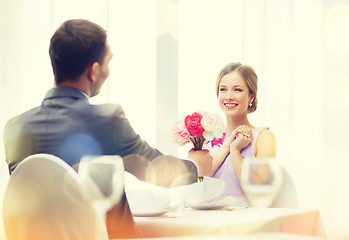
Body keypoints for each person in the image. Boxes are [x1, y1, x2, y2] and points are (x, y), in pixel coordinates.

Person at [3, 19, 210, 238]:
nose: (108, 71)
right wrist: (197, 168)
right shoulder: (107, 120)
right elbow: (155, 169)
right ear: (93, 71)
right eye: (107, 62)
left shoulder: (15, 127)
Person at [202, 62, 276, 207]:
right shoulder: (206, 138)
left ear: (251, 96)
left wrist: (235, 151)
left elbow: (260, 191)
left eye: (237, 90)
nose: (228, 96)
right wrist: (226, 148)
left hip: (245, 223)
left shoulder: (264, 137)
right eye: (223, 89)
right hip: (204, 220)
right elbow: (196, 183)